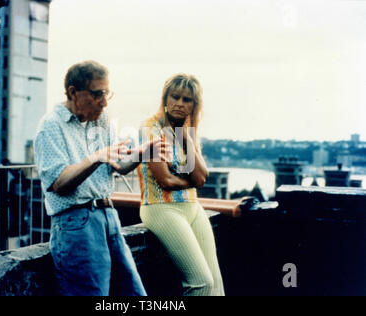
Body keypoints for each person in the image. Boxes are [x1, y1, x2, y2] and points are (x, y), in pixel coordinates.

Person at [34, 60, 169, 296]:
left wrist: (142, 152)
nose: (104, 103)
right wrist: (96, 157)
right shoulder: (50, 126)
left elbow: (119, 166)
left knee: (134, 294)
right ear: (73, 92)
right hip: (76, 224)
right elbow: (58, 184)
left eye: (107, 94)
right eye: (97, 94)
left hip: (109, 217)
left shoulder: (103, 120)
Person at [137, 73, 229, 296]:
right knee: (201, 283)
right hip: (161, 208)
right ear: (165, 98)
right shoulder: (151, 128)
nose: (179, 104)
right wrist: (193, 182)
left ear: (194, 104)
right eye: (175, 97)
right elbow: (166, 180)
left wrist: (186, 137)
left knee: (216, 287)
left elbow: (201, 174)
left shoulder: (187, 131)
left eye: (187, 100)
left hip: (192, 208)